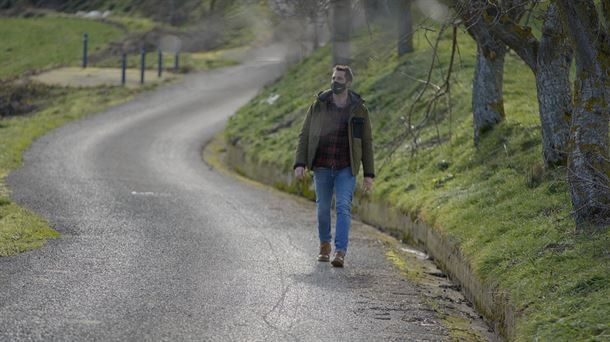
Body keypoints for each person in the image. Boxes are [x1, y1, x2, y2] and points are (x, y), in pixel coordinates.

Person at [293, 64, 375, 268]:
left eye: (339, 79)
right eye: (333, 78)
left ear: (348, 82)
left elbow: (366, 142)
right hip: (321, 166)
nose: (335, 82)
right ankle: (324, 245)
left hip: (345, 168)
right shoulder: (320, 104)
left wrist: (369, 174)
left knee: (343, 208)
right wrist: (300, 163)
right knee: (322, 209)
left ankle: (340, 251)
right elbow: (305, 134)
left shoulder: (359, 109)